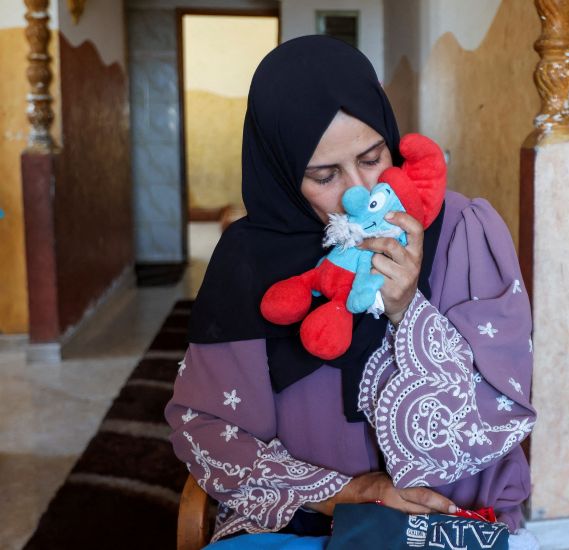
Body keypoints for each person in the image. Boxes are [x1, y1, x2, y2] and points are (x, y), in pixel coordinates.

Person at [165, 35, 537, 549]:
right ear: (281, 175)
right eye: (324, 175)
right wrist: (346, 492)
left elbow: (498, 411)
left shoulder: (464, 233)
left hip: (450, 521)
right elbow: (205, 427)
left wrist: (409, 310)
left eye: (372, 157)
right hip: (300, 522)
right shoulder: (247, 262)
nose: (358, 192)